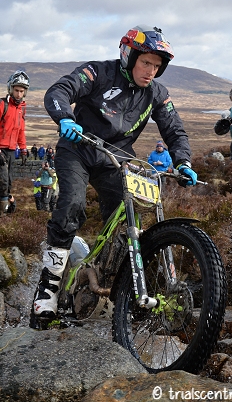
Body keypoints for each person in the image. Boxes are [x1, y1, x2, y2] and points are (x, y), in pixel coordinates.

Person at [31, 24, 197, 324]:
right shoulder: (97, 72)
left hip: (116, 160)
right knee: (71, 205)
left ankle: (111, 281)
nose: (151, 71)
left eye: (157, 66)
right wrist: (66, 118)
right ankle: (48, 287)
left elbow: (174, 129)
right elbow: (59, 90)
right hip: (78, 148)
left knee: (129, 218)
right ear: (129, 56)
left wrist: (183, 161)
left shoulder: (157, 92)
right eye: (146, 62)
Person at [0, 70, 29, 216]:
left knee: (8, 182)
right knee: (3, 182)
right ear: (10, 89)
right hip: (1, 150)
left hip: (12, 151)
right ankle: (3, 213)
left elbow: (21, 131)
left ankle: (6, 209)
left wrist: (23, 150)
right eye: (16, 90)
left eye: (21, 91)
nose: (19, 94)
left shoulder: (21, 109)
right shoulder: (2, 104)